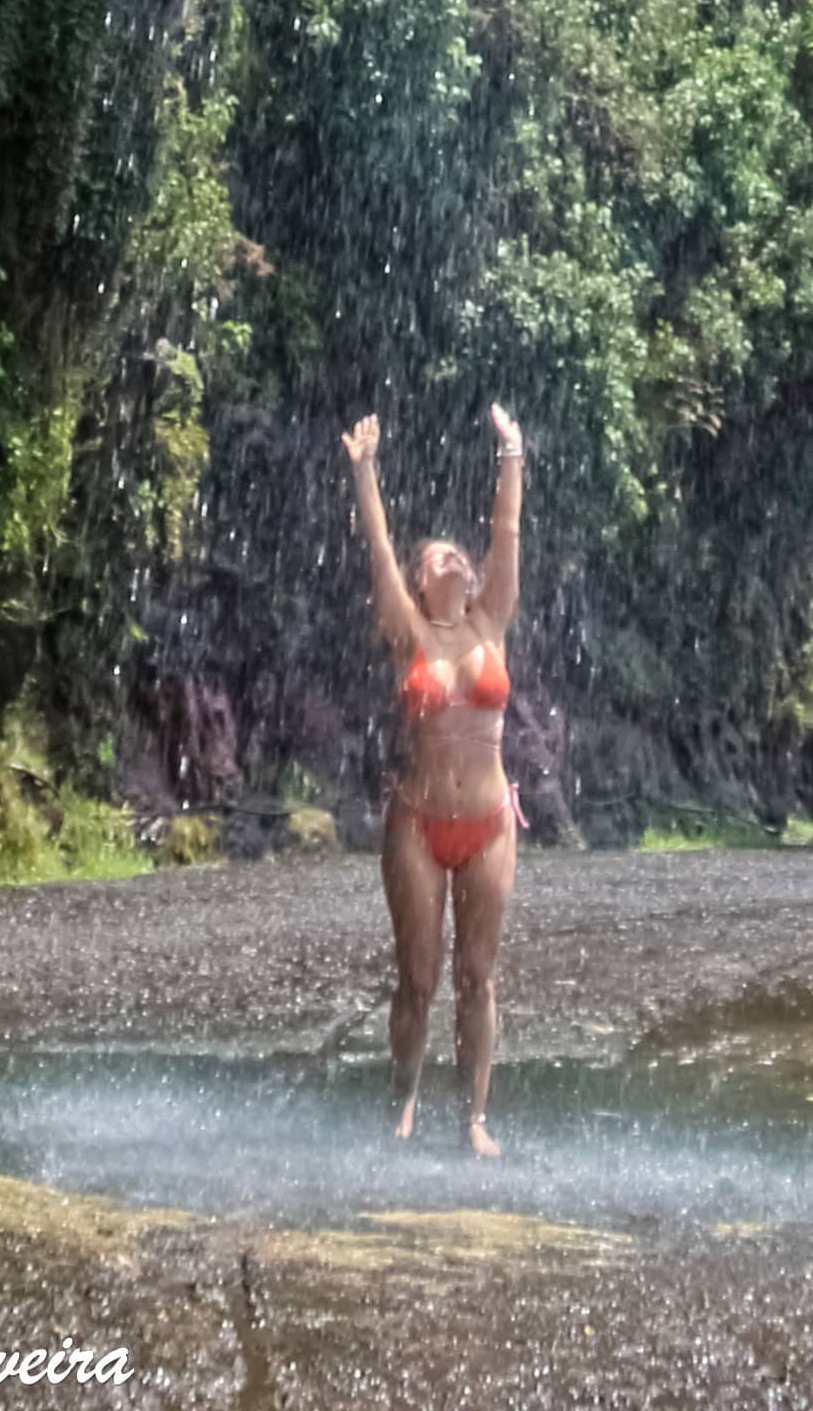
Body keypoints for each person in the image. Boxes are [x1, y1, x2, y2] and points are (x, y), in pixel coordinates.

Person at [344, 400, 526, 1154]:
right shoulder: (408, 631)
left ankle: (474, 1120)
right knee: (417, 978)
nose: (448, 558)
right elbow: (381, 549)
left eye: (457, 554)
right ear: (420, 583)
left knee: (477, 976)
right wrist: (365, 472)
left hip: (489, 823)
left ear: (472, 576)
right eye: (435, 557)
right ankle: (402, 1104)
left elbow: (507, 532)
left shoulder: (491, 621)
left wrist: (512, 452)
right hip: (418, 823)